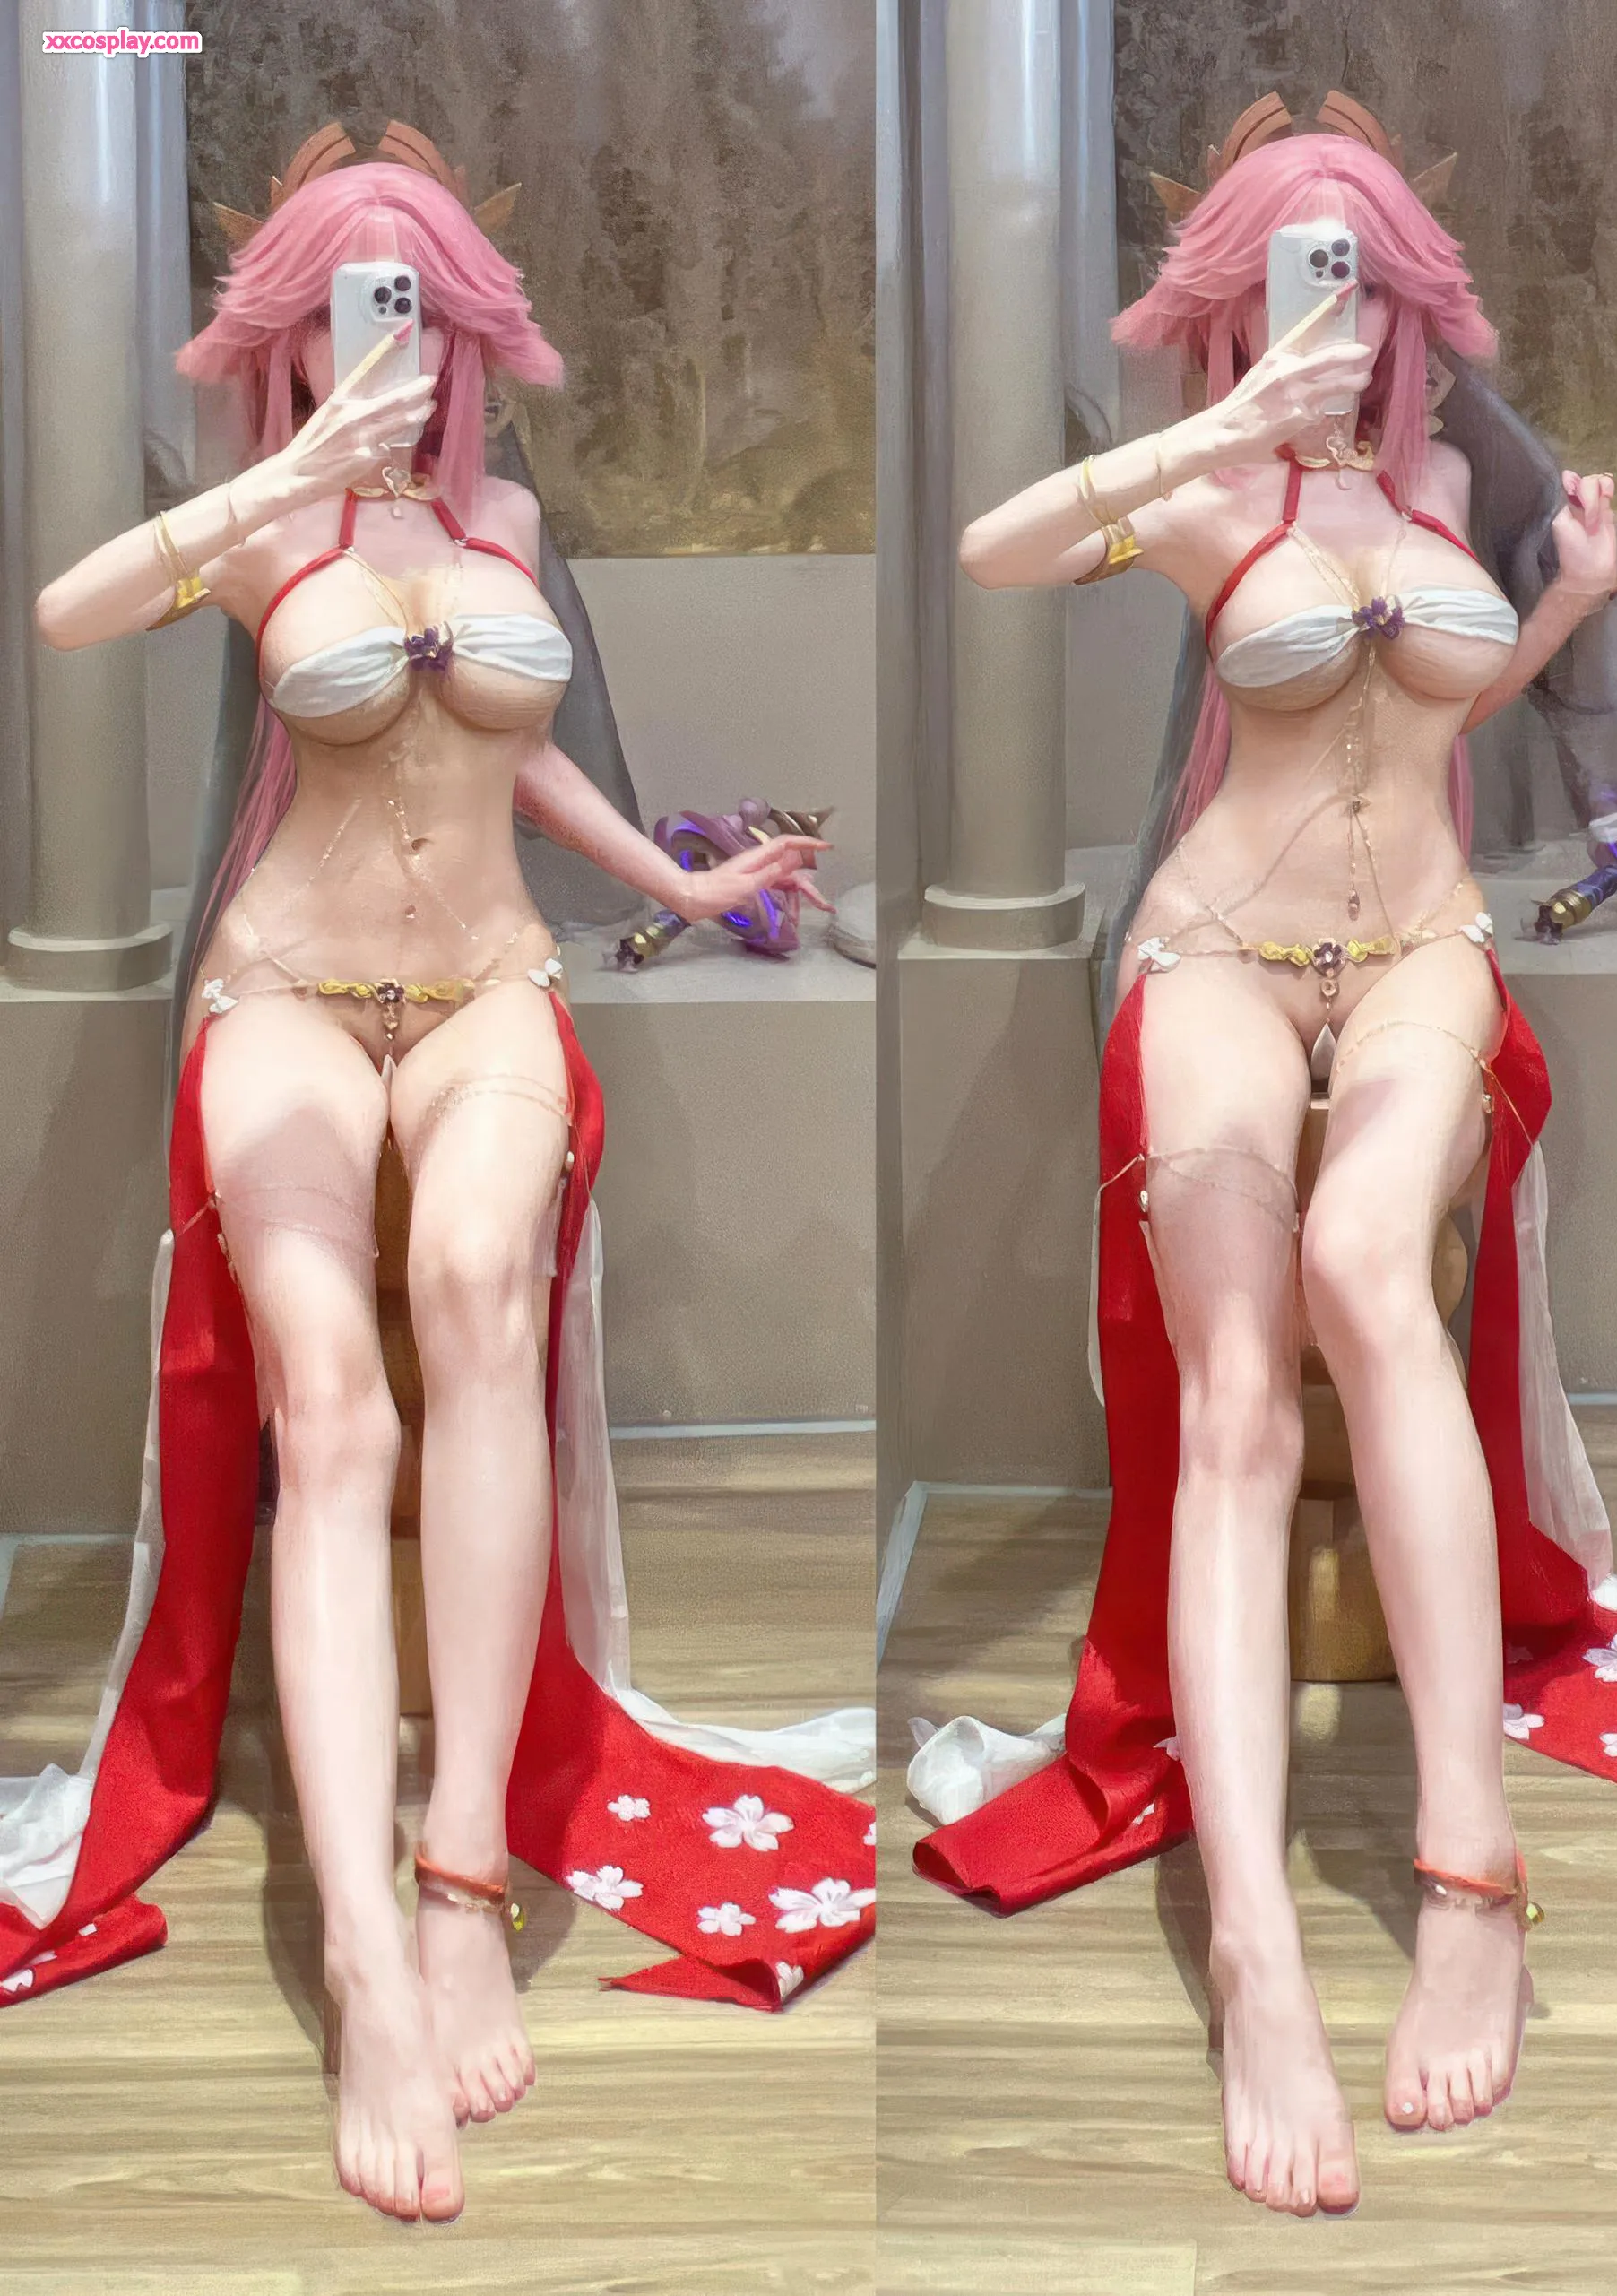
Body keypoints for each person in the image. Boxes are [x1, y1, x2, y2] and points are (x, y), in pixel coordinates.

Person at [0, 132, 875, 2226]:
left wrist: (678, 877)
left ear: (464, 320)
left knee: (479, 1298)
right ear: (293, 331)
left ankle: (460, 1870)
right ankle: (364, 1953)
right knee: (331, 1395)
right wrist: (272, 483)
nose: (375, 337)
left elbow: (516, 747)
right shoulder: (260, 518)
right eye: (335, 304)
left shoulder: (508, 519)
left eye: (406, 298)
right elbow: (64, 610)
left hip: (486, 988)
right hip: (284, 996)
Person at [909, 97, 1617, 2222]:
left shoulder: (1449, 483)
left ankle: (1470, 1868)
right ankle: (1256, 1948)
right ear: (1243, 293)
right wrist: (1219, 424)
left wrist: (1569, 603)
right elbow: (994, 553)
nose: (1343, 319)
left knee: (1369, 1267)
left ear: (1413, 304)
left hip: (1424, 945)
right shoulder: (1207, 488)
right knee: (1239, 1395)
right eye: (1304, 275)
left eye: (1367, 283)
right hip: (1219, 952)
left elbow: (1438, 727)